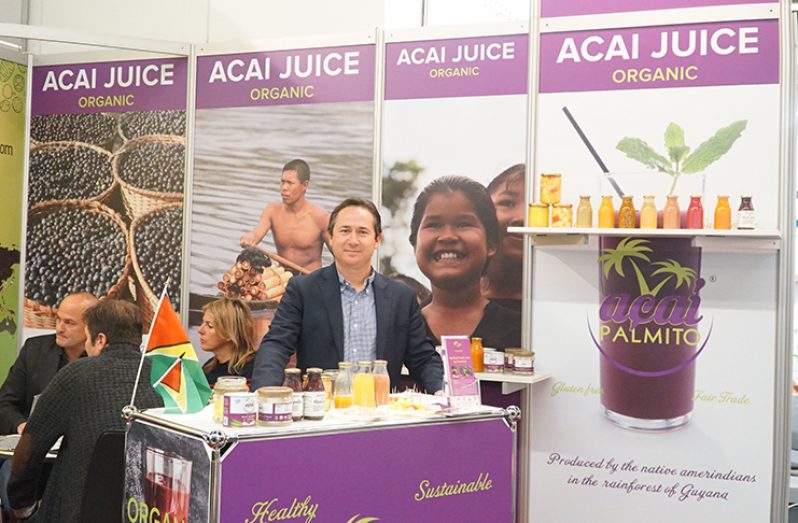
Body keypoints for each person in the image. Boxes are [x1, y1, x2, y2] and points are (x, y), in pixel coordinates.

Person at [251, 198, 443, 394]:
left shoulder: (401, 297)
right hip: (322, 412)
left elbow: (422, 357)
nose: (353, 240)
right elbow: (277, 344)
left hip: (379, 413)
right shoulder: (303, 290)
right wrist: (263, 393)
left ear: (377, 240)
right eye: (345, 231)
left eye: (362, 232)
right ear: (331, 238)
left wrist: (440, 391)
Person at [8, 300, 162, 523]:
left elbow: (30, 447)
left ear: (100, 340)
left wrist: (21, 502)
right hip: (146, 510)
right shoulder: (165, 378)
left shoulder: (76, 375)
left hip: (77, 509)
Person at [410, 176, 521, 350]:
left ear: (491, 243)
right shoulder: (398, 329)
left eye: (463, 224)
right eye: (434, 225)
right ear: (414, 243)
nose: (448, 236)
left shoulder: (521, 330)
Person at [0, 292, 98, 436]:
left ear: (91, 327)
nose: (59, 328)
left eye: (69, 323)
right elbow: (5, 403)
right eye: (58, 319)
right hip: (35, 444)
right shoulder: (34, 349)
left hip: (82, 447)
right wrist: (21, 426)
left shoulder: (104, 358)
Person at [240, 159, 331, 271]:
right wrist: (249, 238)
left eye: (290, 183)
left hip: (310, 278)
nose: (284, 188)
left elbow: (340, 254)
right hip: (283, 276)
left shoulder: (321, 217)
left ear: (304, 185)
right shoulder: (272, 210)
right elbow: (256, 234)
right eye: (282, 182)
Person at [483, 164, 525, 312]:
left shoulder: (567, 304)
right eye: (507, 203)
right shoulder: (452, 299)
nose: (522, 217)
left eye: (534, 207)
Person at [199, 298, 258, 386]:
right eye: (202, 323)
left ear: (229, 333)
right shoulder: (208, 368)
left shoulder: (254, 367)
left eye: (210, 326)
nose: (200, 330)